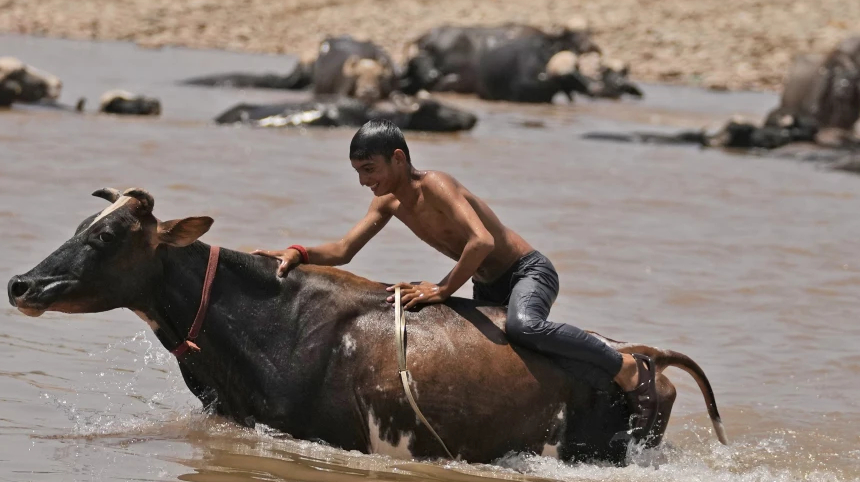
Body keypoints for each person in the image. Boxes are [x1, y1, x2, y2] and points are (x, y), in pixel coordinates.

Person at [254, 119, 658, 433]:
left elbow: (480, 242)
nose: (364, 181)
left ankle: (624, 366)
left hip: (526, 271)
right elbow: (343, 250)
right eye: (357, 172)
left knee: (524, 326)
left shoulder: (436, 184)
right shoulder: (388, 203)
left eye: (369, 168)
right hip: (486, 284)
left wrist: (443, 289)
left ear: (398, 158)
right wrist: (299, 252)